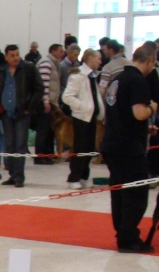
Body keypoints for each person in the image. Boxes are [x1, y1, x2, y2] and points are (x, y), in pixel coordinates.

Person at [100, 44, 159, 253]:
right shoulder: (137, 81)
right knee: (136, 193)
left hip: (112, 143)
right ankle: (129, 238)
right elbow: (138, 113)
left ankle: (122, 233)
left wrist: (144, 128)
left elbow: (122, 113)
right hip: (128, 148)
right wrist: (152, 107)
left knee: (119, 193)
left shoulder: (117, 78)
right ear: (150, 61)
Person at [0, 44, 43, 188]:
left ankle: (19, 177)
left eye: (17, 55)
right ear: (6, 57)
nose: (15, 58)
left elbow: (39, 89)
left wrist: (29, 107)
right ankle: (12, 175)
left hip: (22, 113)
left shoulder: (29, 69)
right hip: (6, 113)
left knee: (20, 144)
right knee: (9, 145)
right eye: (12, 55)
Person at [61, 48, 104, 190]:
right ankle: (74, 177)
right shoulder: (78, 75)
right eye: (98, 58)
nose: (100, 61)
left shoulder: (92, 76)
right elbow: (67, 97)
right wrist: (83, 106)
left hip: (92, 118)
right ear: (90, 59)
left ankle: (83, 176)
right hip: (81, 118)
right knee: (80, 148)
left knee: (89, 148)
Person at [34, 43, 65, 165]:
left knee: (47, 130)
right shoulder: (46, 63)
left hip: (50, 102)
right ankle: (39, 156)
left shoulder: (54, 64)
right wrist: (46, 101)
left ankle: (46, 154)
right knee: (42, 130)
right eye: (60, 51)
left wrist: (55, 104)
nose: (62, 53)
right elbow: (44, 84)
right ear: (53, 51)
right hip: (43, 102)